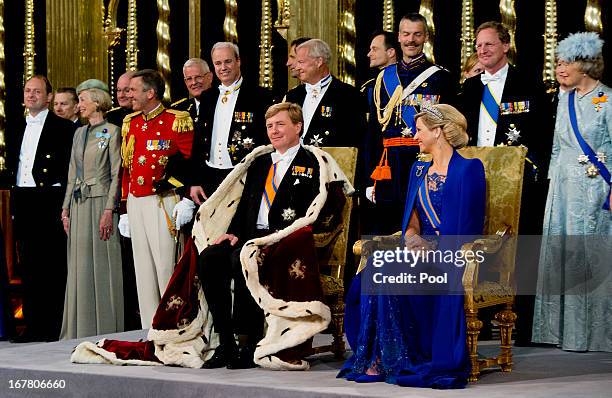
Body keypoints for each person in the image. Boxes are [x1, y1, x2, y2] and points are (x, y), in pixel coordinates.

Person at [71, 103, 353, 372]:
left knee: (244, 259)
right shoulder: (259, 162)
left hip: (284, 239)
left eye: (281, 124)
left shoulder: (314, 162)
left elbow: (321, 209)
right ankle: (225, 340)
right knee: (209, 258)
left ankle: (248, 339)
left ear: (298, 127)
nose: (274, 131)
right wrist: (233, 233)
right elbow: (243, 207)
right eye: (269, 126)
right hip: (251, 235)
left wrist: (275, 238)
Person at [339, 104, 485, 388]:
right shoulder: (418, 169)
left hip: (451, 255)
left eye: (419, 130)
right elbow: (412, 218)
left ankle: (397, 357)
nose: (414, 136)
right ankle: (382, 356)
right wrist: (412, 237)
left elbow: (468, 226)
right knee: (370, 275)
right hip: (420, 250)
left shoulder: (469, 169)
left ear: (438, 131)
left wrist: (434, 250)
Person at [459, 21, 549, 344]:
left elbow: (541, 135)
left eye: (489, 45)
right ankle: (477, 319)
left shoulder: (529, 84)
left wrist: (532, 170)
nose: (482, 51)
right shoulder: (468, 89)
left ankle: (520, 325)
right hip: (477, 181)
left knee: (521, 248)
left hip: (517, 183)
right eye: (478, 46)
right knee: (478, 246)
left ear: (505, 45)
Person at [532, 32, 612, 352]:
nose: (561, 68)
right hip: (563, 192)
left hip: (595, 190)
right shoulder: (563, 100)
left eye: (568, 62)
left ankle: (595, 335)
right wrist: (553, 185)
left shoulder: (607, 98)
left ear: (587, 64)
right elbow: (556, 148)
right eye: (558, 62)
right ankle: (563, 333)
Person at [363, 13, 454, 235]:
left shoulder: (440, 78)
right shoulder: (382, 79)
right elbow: (373, 132)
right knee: (386, 229)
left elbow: (448, 128)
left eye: (417, 34)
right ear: (399, 37)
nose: (411, 40)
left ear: (425, 37)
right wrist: (368, 176)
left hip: (424, 160)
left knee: (423, 224)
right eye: (406, 34)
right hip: (388, 166)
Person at [118, 69, 194, 329]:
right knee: (143, 268)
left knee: (165, 265)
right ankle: (150, 328)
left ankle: (173, 324)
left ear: (150, 93)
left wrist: (185, 198)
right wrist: (125, 208)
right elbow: (127, 168)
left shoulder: (177, 120)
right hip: (138, 202)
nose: (129, 95)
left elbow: (188, 162)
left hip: (163, 200)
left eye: (133, 90)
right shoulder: (131, 122)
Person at [9, 75, 75, 342]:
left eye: (37, 91)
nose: (31, 95)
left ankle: (52, 326)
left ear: (48, 97)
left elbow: (70, 168)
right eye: (27, 91)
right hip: (23, 199)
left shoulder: (64, 128)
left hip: (49, 199)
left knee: (52, 264)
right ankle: (32, 324)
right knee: (28, 264)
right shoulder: (14, 126)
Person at [59, 79, 123, 339]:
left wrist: (109, 209)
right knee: (80, 267)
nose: (79, 105)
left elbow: (117, 174)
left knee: (102, 265)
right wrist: (65, 210)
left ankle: (106, 328)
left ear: (97, 101)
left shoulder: (113, 131)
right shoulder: (78, 133)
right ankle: (79, 328)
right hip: (79, 204)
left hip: (100, 205)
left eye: (83, 99)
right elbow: (72, 174)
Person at [180, 42, 272, 213]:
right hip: (210, 177)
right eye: (218, 63)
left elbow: (266, 143)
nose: (223, 67)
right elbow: (199, 143)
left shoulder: (260, 96)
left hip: (243, 176)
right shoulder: (208, 97)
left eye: (227, 62)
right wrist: (194, 181)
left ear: (238, 62)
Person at [284, 39, 366, 148]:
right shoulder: (293, 96)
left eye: (301, 62)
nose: (297, 67)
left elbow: (356, 141)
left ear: (319, 62)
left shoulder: (349, 95)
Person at [171, 58, 213, 124]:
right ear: (185, 82)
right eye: (189, 79)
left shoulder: (222, 103)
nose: (194, 82)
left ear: (210, 77)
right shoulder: (178, 110)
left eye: (198, 77)